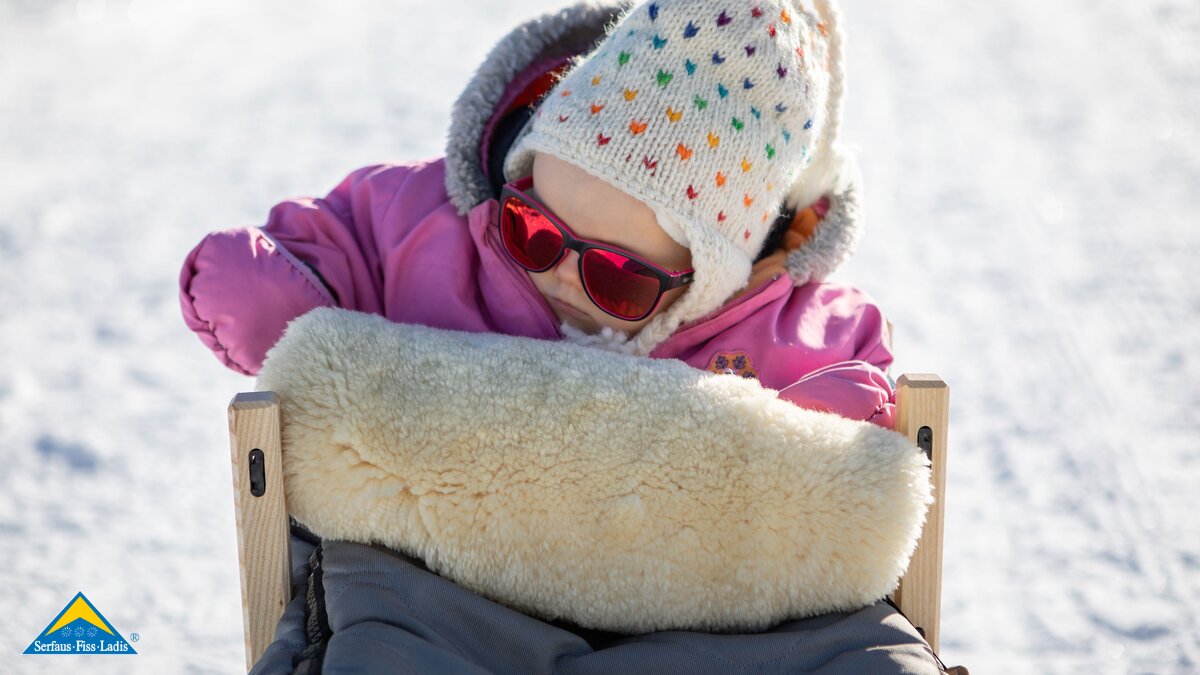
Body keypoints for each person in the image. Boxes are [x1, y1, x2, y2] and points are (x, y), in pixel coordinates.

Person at [180, 0, 894, 427]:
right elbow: (341, 245)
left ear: (706, 283)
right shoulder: (435, 232)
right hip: (432, 575)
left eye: (618, 279)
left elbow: (859, 389)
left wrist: (815, 437)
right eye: (534, 232)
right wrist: (269, 294)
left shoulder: (767, 330)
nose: (558, 274)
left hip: (668, 601)